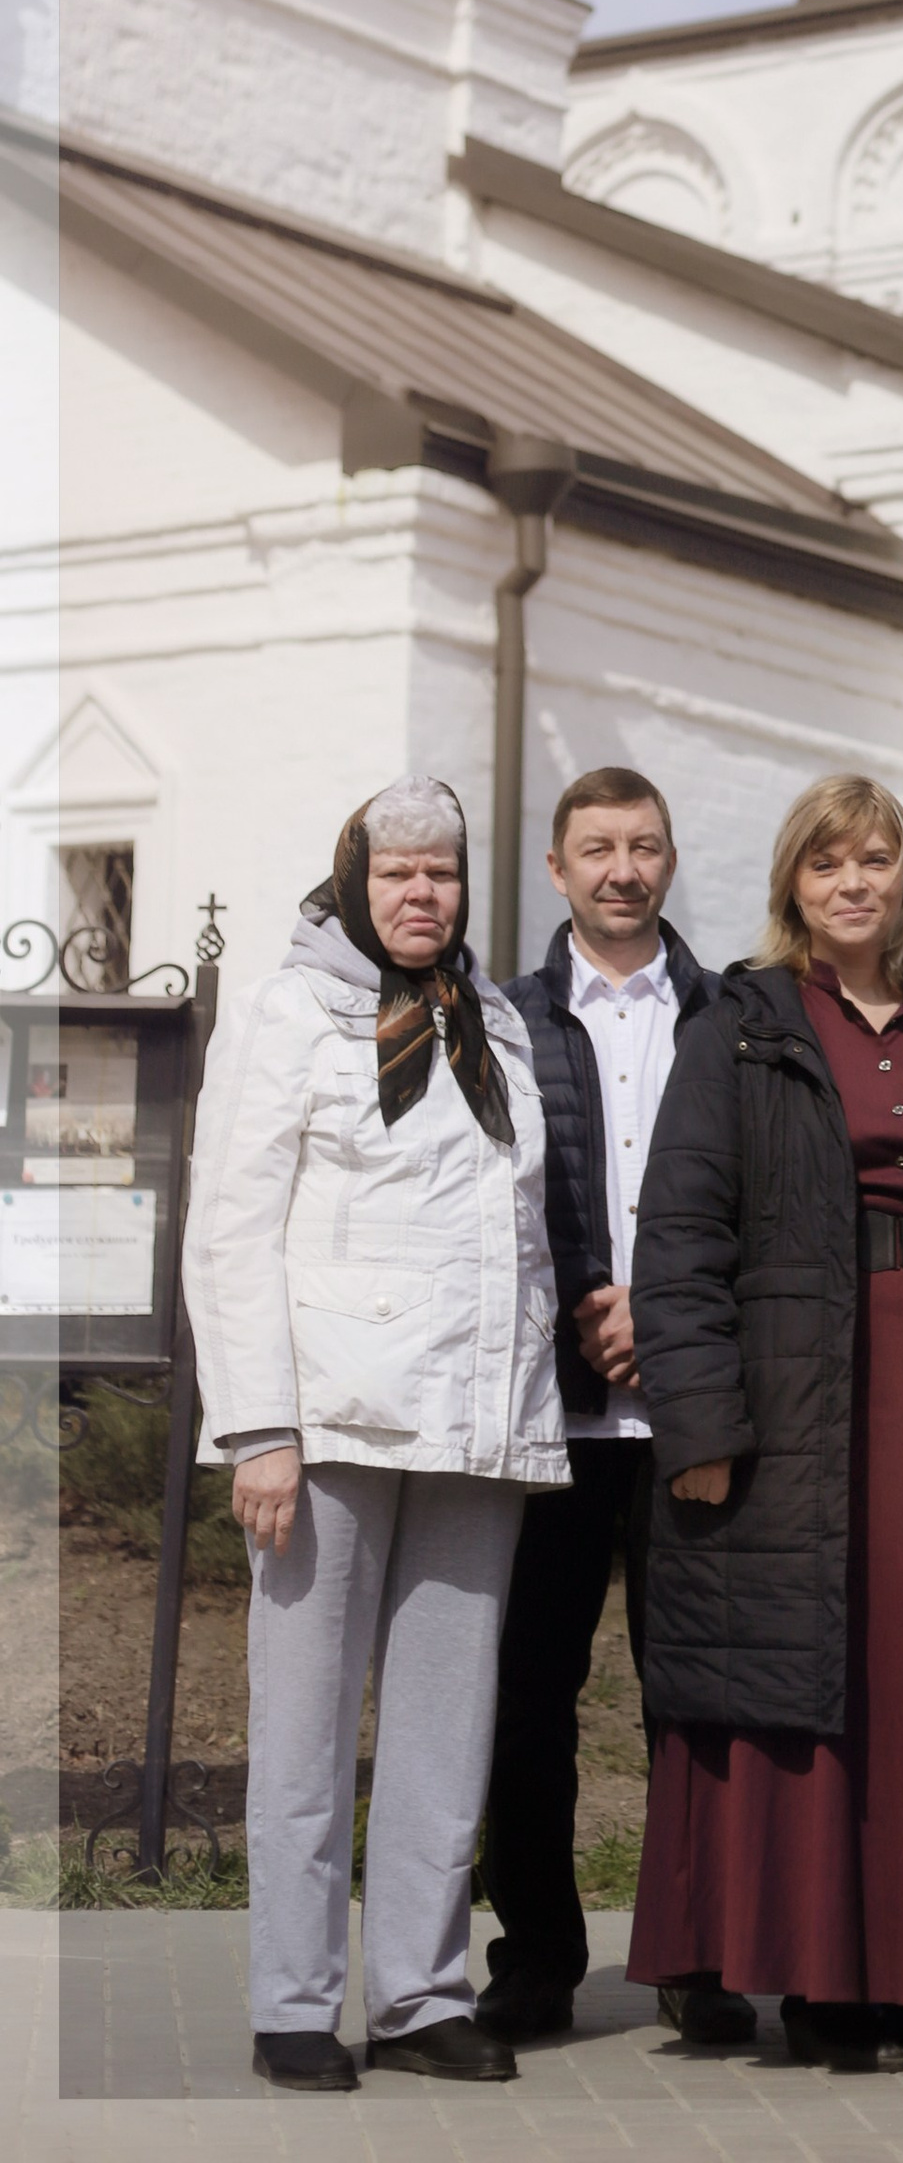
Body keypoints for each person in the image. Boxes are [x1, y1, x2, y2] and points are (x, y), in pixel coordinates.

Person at [627, 773, 903, 2071]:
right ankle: (820, 1975)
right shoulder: (737, 1023)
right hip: (797, 1379)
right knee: (816, 1667)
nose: (854, 883)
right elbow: (680, 1234)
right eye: (828, 864)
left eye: (877, 860)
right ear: (792, 885)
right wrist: (696, 1425)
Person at [183, 779, 566, 2093]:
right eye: (398, 873)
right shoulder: (290, 1010)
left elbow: (510, 1234)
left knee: (444, 1731)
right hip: (327, 1427)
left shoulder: (493, 1020)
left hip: (473, 1427)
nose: (422, 895)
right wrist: (259, 1429)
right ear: (354, 878)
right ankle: (295, 1999)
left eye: (443, 876)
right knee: (301, 1727)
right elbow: (232, 1225)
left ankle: (417, 1993)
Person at [476, 768, 738, 2048]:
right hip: (551, 1418)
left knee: (689, 1698)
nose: (622, 869)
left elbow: (762, 1199)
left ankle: (698, 1955)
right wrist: (588, 1293)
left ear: (671, 859)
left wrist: (668, 1308)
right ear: (559, 867)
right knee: (529, 1696)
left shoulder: (733, 1015)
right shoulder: (507, 1019)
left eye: (643, 847)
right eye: (597, 848)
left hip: (693, 1417)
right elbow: (485, 1199)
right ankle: (534, 1956)